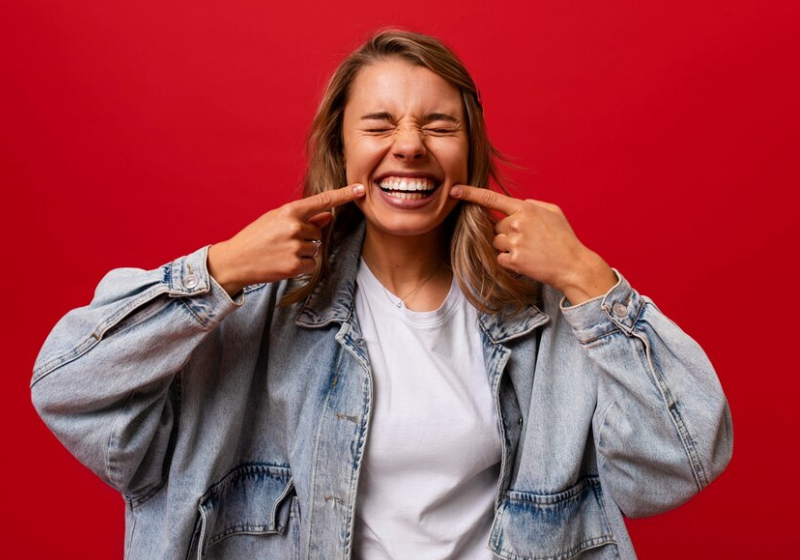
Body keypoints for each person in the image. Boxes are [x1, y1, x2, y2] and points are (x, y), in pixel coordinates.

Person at [31, 30, 732, 560]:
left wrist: (589, 279)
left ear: (469, 150)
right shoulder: (256, 308)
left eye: (437, 126)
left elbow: (682, 461)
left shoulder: (546, 318)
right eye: (379, 125)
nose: (409, 147)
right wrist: (217, 271)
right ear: (340, 150)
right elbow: (69, 389)